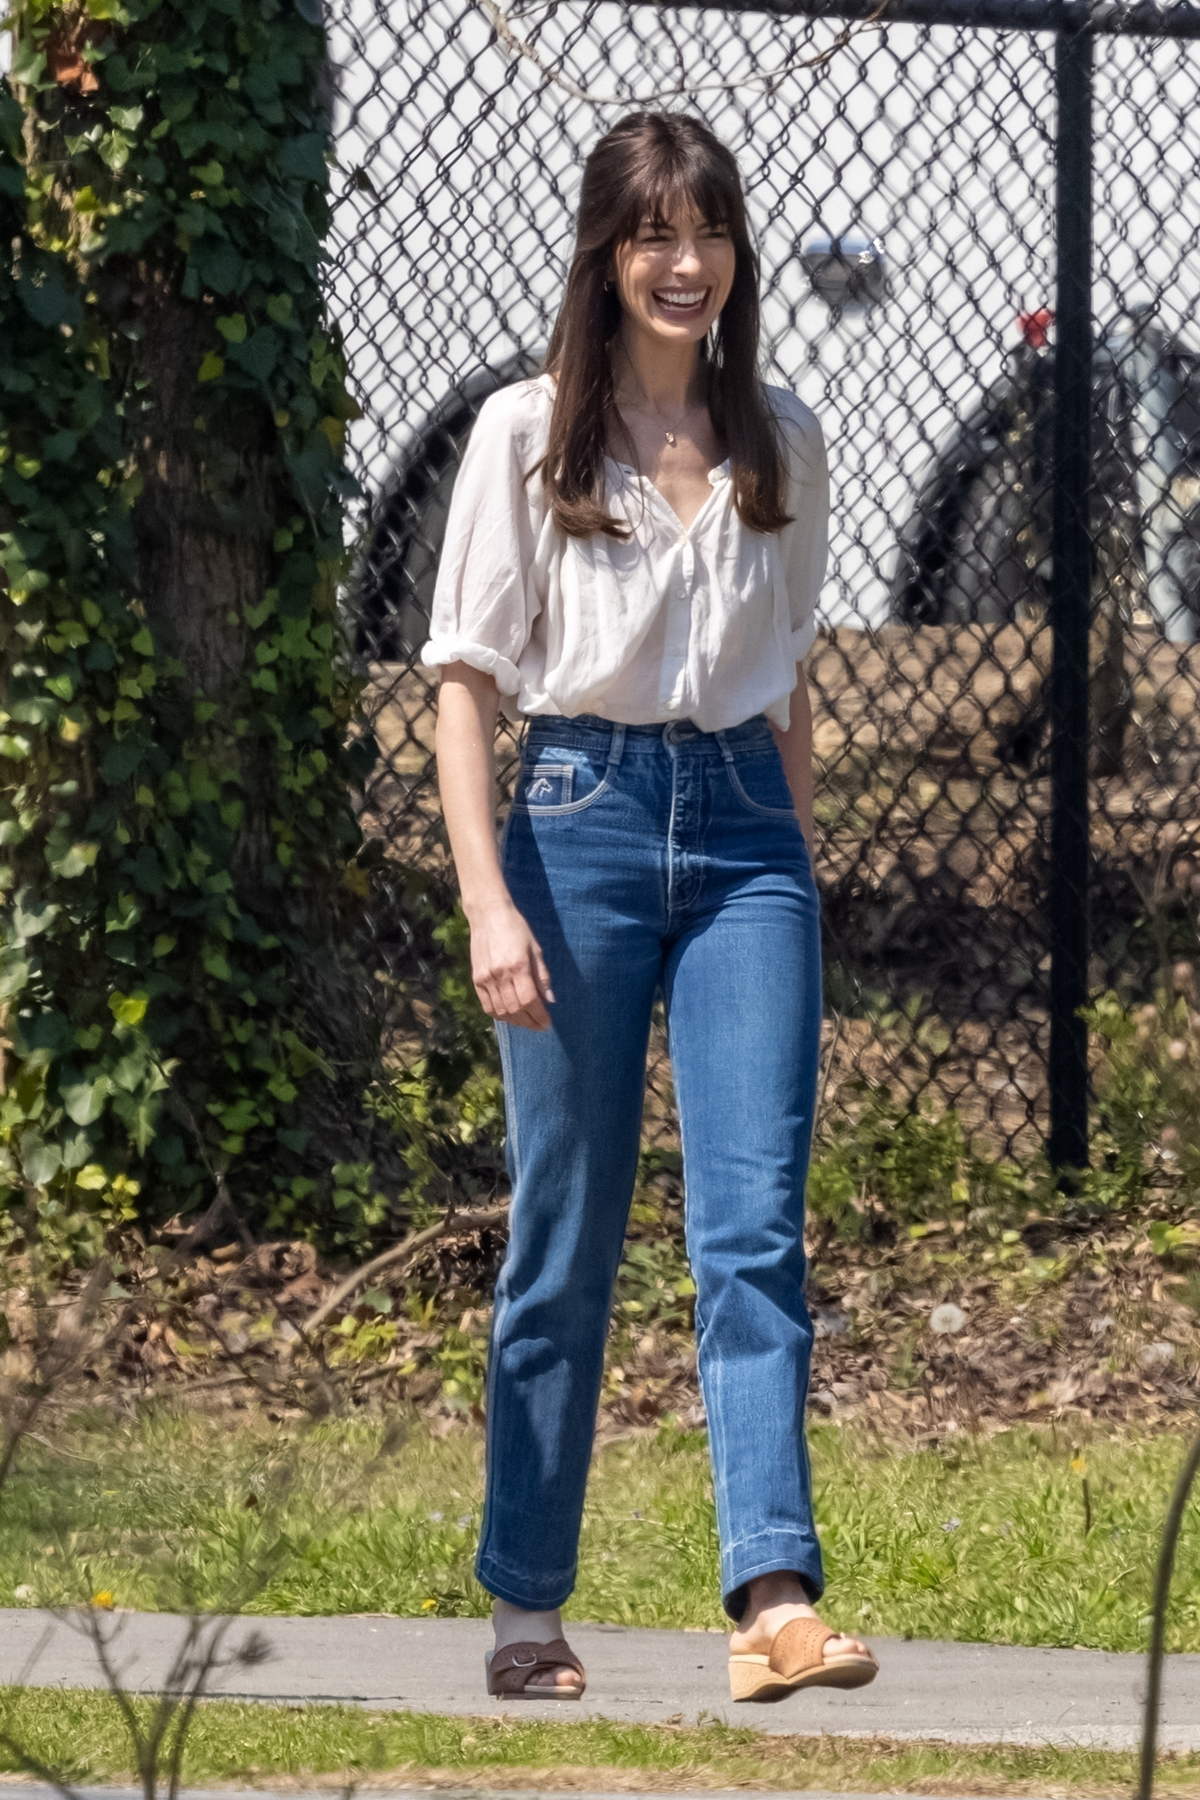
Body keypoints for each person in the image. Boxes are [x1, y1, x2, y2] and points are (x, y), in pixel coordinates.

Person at [421, 107, 880, 1705]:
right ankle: (526, 1609)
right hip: (576, 832)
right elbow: (467, 689)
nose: (685, 265)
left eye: (709, 234)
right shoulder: (525, 435)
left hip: (748, 841)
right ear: (607, 258)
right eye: (652, 237)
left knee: (753, 1230)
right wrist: (491, 902)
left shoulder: (785, 437)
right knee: (567, 1232)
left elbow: (795, 683)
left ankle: (775, 1597)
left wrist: (792, 868)